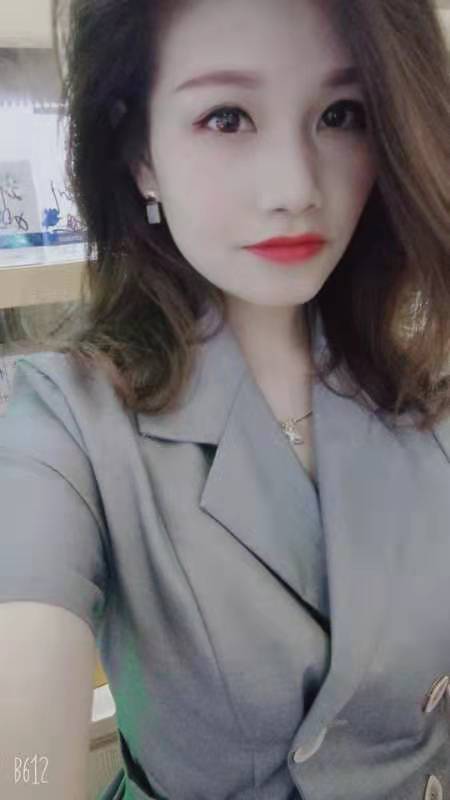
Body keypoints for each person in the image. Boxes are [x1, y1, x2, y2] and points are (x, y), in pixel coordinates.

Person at [1, 0, 449, 798]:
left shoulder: (423, 382)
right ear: (140, 154)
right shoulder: (65, 423)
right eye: (227, 117)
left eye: (341, 114)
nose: (295, 189)